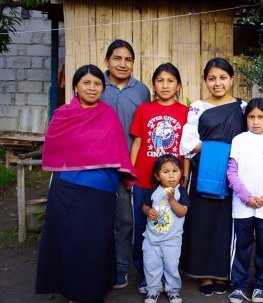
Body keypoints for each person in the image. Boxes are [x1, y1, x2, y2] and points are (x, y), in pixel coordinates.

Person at [36, 64, 136, 303]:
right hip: (68, 188)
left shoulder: (108, 115)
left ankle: (91, 290)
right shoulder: (62, 115)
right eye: (86, 83)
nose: (92, 88)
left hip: (99, 189)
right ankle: (70, 289)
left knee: (96, 239)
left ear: (103, 87)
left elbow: (117, 150)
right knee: (69, 237)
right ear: (76, 86)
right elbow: (55, 149)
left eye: (97, 84)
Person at [180, 57, 247, 296]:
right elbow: (187, 143)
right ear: (205, 81)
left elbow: (251, 140)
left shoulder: (243, 108)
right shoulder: (198, 107)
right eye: (211, 78)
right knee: (203, 223)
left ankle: (222, 272)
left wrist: (225, 151)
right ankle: (204, 274)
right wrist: (221, 148)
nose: (217, 83)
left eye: (222, 78)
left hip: (232, 175)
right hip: (204, 173)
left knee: (226, 224)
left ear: (232, 79)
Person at [129, 63, 189, 292]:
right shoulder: (144, 109)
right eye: (160, 80)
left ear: (178, 85)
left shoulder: (185, 112)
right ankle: (146, 275)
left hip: (172, 185)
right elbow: (137, 142)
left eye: (170, 81)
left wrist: (184, 176)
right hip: (144, 181)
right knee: (142, 231)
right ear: (153, 85)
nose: (165, 85)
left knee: (170, 230)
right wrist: (130, 174)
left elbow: (185, 149)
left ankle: (170, 275)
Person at [101, 39, 150, 291]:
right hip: (98, 166)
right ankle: (97, 266)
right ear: (107, 61)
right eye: (117, 58)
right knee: (97, 219)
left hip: (127, 167)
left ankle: (121, 269)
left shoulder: (141, 91)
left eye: (128, 59)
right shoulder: (97, 86)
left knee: (126, 220)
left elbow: (145, 129)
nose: (122, 63)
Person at [227, 98, 263, 303]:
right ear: (246, 118)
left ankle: (261, 285)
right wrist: (246, 197)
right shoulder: (239, 140)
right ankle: (238, 285)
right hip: (242, 206)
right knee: (241, 245)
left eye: (260, 117)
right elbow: (231, 172)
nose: (256, 121)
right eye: (251, 117)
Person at [142, 154, 190, 303]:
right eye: (165, 172)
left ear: (181, 173)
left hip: (172, 240)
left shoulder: (181, 192)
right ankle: (152, 289)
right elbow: (145, 205)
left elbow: (182, 212)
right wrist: (148, 211)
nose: (171, 175)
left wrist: (172, 200)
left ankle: (173, 290)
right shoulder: (154, 190)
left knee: (171, 266)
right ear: (157, 175)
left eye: (175, 171)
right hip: (152, 238)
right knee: (151, 265)